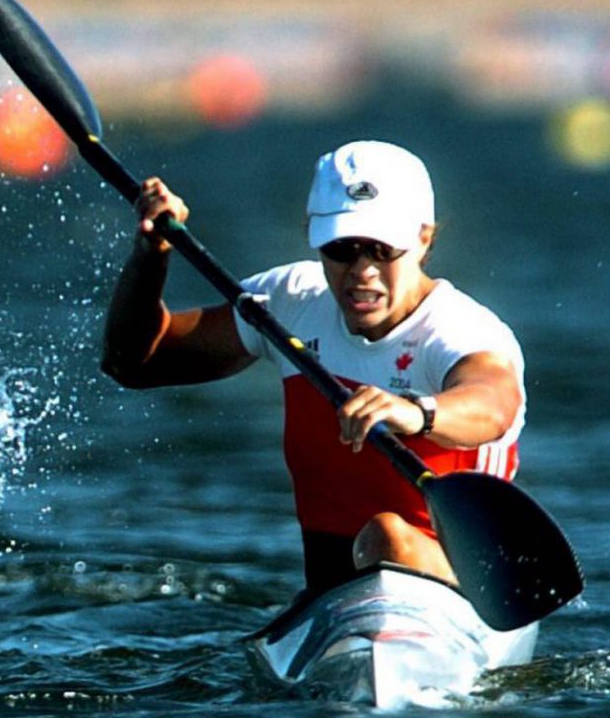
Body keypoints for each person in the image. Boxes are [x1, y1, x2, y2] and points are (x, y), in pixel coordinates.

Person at [100, 140, 526, 593]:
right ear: (315, 237)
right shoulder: (291, 302)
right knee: (381, 541)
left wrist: (416, 413)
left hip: (466, 593)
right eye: (342, 249)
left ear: (423, 239)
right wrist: (151, 254)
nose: (362, 270)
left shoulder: (463, 329)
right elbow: (132, 363)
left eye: (382, 250)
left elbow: (493, 403)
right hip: (336, 594)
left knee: (389, 537)